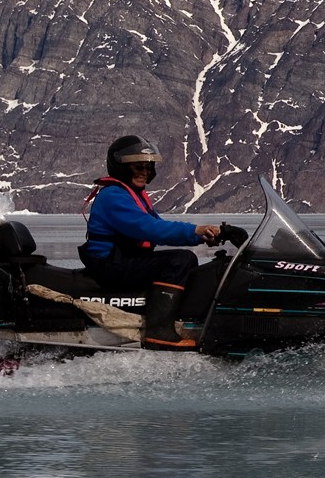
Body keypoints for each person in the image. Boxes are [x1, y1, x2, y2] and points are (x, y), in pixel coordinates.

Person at [81, 135, 224, 344]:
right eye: (139, 167)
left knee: (189, 261)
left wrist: (205, 235)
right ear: (121, 167)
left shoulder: (133, 194)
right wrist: (195, 231)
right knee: (179, 260)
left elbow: (159, 224)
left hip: (121, 261)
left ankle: (183, 319)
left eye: (148, 167)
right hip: (109, 265)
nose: (145, 172)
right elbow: (150, 229)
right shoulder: (113, 196)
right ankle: (159, 331)